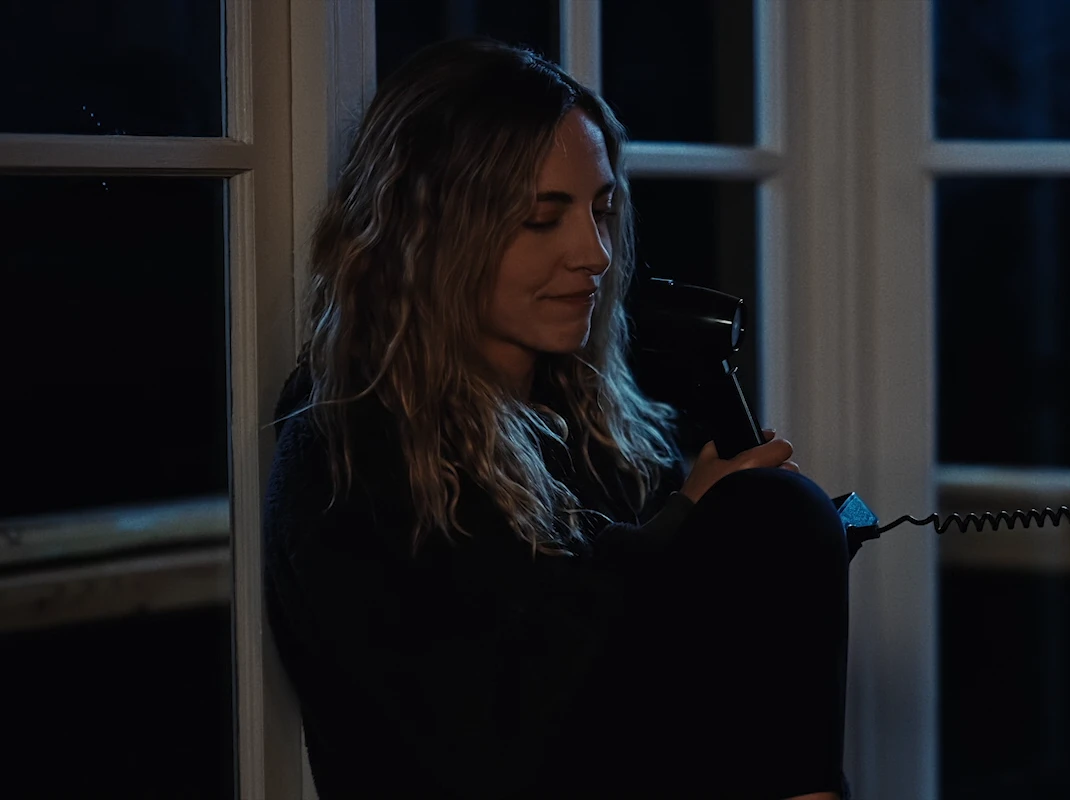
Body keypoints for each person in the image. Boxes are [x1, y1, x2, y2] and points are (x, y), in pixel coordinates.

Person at [263, 39, 850, 799]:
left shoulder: (608, 438)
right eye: (543, 219)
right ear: (429, 233)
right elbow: (490, 730)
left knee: (779, 512)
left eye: (603, 211)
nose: (595, 254)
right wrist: (684, 525)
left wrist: (749, 547)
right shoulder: (349, 453)